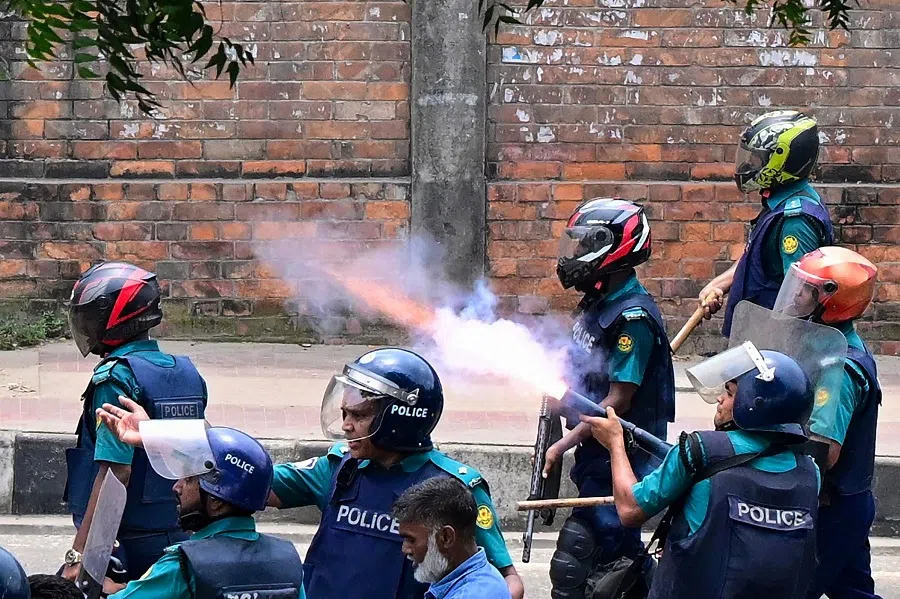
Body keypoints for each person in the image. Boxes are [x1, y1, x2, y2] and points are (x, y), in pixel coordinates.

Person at [269, 347, 524, 599]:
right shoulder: (340, 468)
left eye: (359, 415)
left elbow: (506, 580)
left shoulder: (454, 488)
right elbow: (254, 483)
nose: (346, 426)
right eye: (344, 413)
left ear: (399, 418)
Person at [583, 342, 821, 599]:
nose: (720, 399)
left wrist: (615, 443)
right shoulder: (810, 473)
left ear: (756, 404)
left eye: (730, 393)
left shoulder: (699, 449)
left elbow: (630, 509)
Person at [544, 198, 675, 599]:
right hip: (595, 454)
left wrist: (563, 443)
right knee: (610, 563)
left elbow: (616, 404)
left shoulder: (632, 318)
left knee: (585, 561)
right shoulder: (599, 301)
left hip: (623, 456)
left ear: (616, 248)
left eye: (586, 245)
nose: (577, 254)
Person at [62, 261, 209, 583]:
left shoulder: (115, 378)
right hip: (182, 533)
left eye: (89, 317)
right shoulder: (186, 372)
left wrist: (81, 556)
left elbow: (116, 472)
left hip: (126, 540)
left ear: (112, 317)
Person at [92, 411, 306, 599]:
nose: (177, 487)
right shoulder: (287, 560)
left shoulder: (184, 566)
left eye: (188, 479)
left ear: (215, 502)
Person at [772, 246, 882, 599]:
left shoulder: (839, 367)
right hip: (849, 499)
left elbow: (824, 450)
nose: (797, 296)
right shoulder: (829, 343)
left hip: (830, 505)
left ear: (833, 302)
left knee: (794, 588)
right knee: (852, 590)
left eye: (807, 290)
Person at [699, 110, 833, 337]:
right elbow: (757, 256)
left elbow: (800, 300)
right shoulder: (779, 203)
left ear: (781, 161)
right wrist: (720, 284)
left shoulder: (796, 221)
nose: (748, 166)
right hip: (757, 337)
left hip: (773, 348)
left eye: (757, 159)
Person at [393, 477, 511, 599]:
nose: (405, 549)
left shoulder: (471, 594)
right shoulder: (480, 577)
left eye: (411, 540)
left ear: (446, 537)